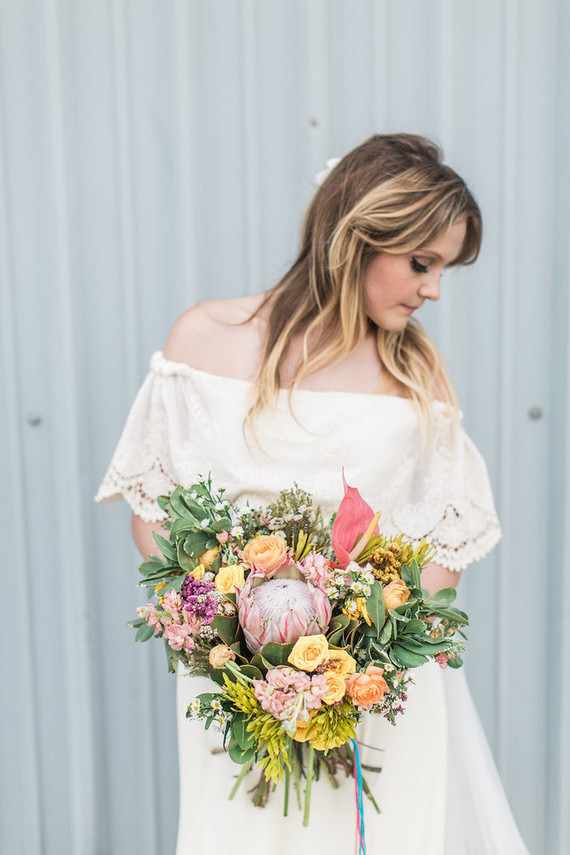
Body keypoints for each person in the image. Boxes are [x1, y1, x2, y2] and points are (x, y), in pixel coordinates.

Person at [95, 133, 530, 854]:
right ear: (357, 237)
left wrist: (361, 650)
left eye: (443, 269)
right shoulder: (205, 339)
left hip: (378, 688)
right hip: (237, 682)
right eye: (422, 263)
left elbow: (444, 546)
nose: (434, 290)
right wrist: (228, 634)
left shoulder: (415, 375)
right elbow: (155, 514)